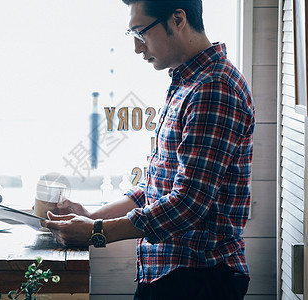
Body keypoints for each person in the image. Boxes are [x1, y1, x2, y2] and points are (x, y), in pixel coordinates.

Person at [42, 0, 255, 299]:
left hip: (198, 278)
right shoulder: (188, 83)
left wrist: (97, 232)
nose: (137, 48)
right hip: (173, 274)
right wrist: (92, 217)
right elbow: (156, 186)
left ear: (178, 19)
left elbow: (189, 203)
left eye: (141, 32)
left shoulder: (213, 88)